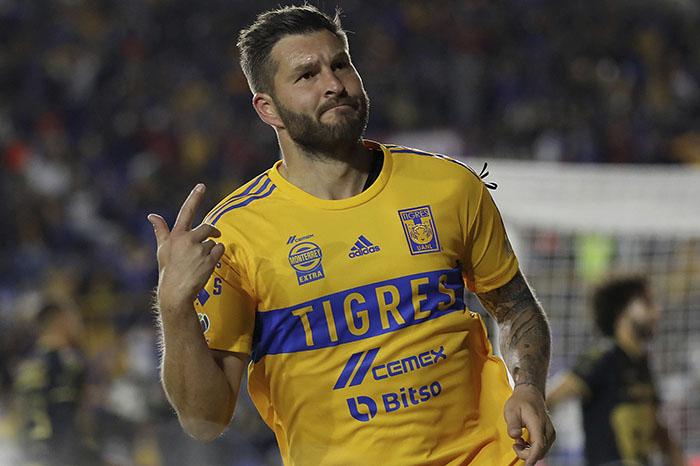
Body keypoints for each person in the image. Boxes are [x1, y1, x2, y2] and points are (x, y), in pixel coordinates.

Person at [148, 5, 555, 465]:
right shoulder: (235, 234)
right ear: (268, 108)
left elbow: (515, 307)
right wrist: (174, 307)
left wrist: (528, 387)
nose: (334, 84)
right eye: (307, 75)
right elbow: (205, 420)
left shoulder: (448, 186)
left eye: (340, 65)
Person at [546, 275, 685, 466]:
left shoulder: (641, 363)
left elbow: (657, 427)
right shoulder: (603, 357)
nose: (657, 311)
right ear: (621, 311)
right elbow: (550, 398)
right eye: (647, 303)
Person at [13, 301, 96, 466]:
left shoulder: (27, 365)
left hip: (30, 456)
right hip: (57, 456)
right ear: (60, 321)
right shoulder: (66, 364)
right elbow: (65, 419)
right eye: (74, 319)